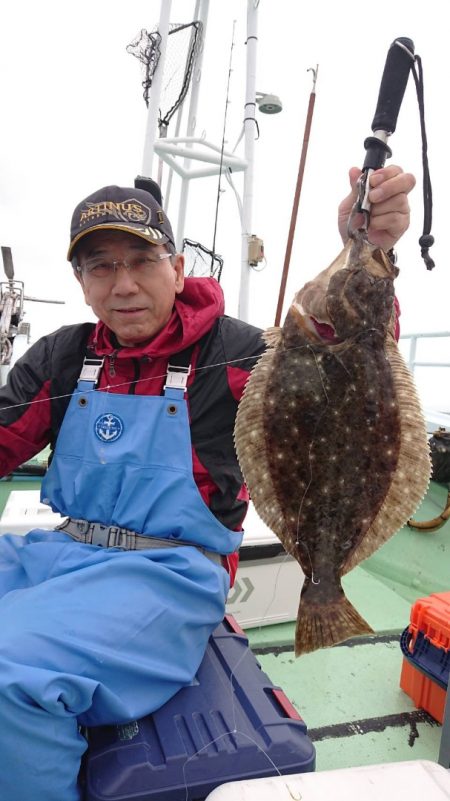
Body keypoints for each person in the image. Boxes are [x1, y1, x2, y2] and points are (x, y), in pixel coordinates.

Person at [0, 164, 415, 801]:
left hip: (168, 575)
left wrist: (367, 250)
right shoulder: (64, 356)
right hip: (57, 553)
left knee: (10, 677)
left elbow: (352, 378)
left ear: (177, 264)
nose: (125, 284)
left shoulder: (243, 353)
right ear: (82, 283)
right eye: (100, 267)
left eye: (141, 259)